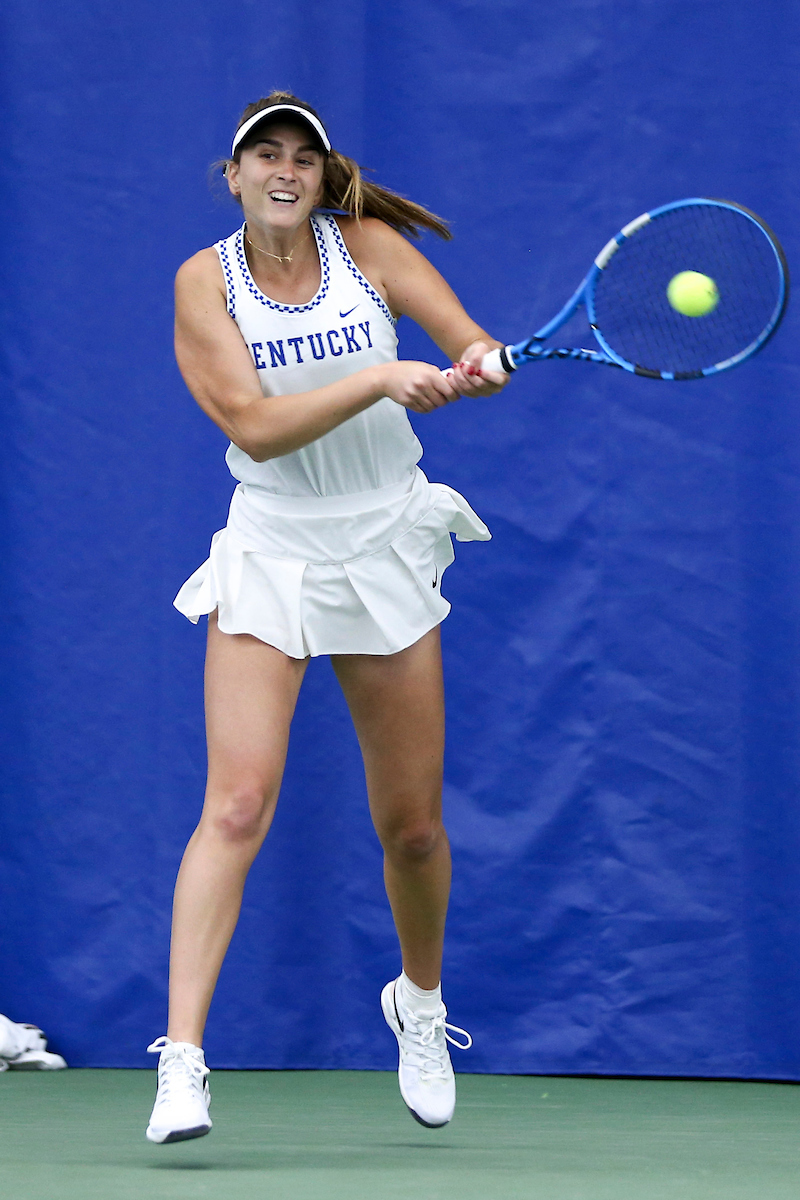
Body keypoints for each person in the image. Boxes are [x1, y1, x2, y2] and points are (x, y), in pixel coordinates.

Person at [145, 91, 508, 1145]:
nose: (285, 170)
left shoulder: (372, 250)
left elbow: (465, 343)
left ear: (319, 175)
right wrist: (381, 378)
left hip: (383, 539)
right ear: (234, 176)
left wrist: (474, 366)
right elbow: (254, 427)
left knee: (412, 828)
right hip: (273, 546)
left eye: (302, 156)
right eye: (265, 154)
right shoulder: (203, 282)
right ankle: (181, 1064)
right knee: (235, 805)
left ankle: (420, 1006)